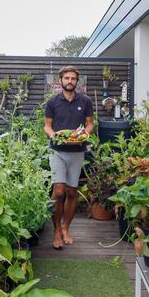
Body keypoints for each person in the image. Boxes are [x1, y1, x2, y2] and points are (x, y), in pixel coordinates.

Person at [43, 66, 95, 249]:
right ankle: (56, 230)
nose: (70, 81)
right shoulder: (52, 103)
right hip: (57, 150)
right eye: (67, 78)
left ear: (77, 81)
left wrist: (84, 133)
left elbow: (90, 125)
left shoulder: (85, 101)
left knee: (72, 192)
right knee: (59, 191)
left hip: (77, 151)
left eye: (73, 78)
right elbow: (47, 126)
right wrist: (53, 135)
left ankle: (66, 228)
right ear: (61, 81)